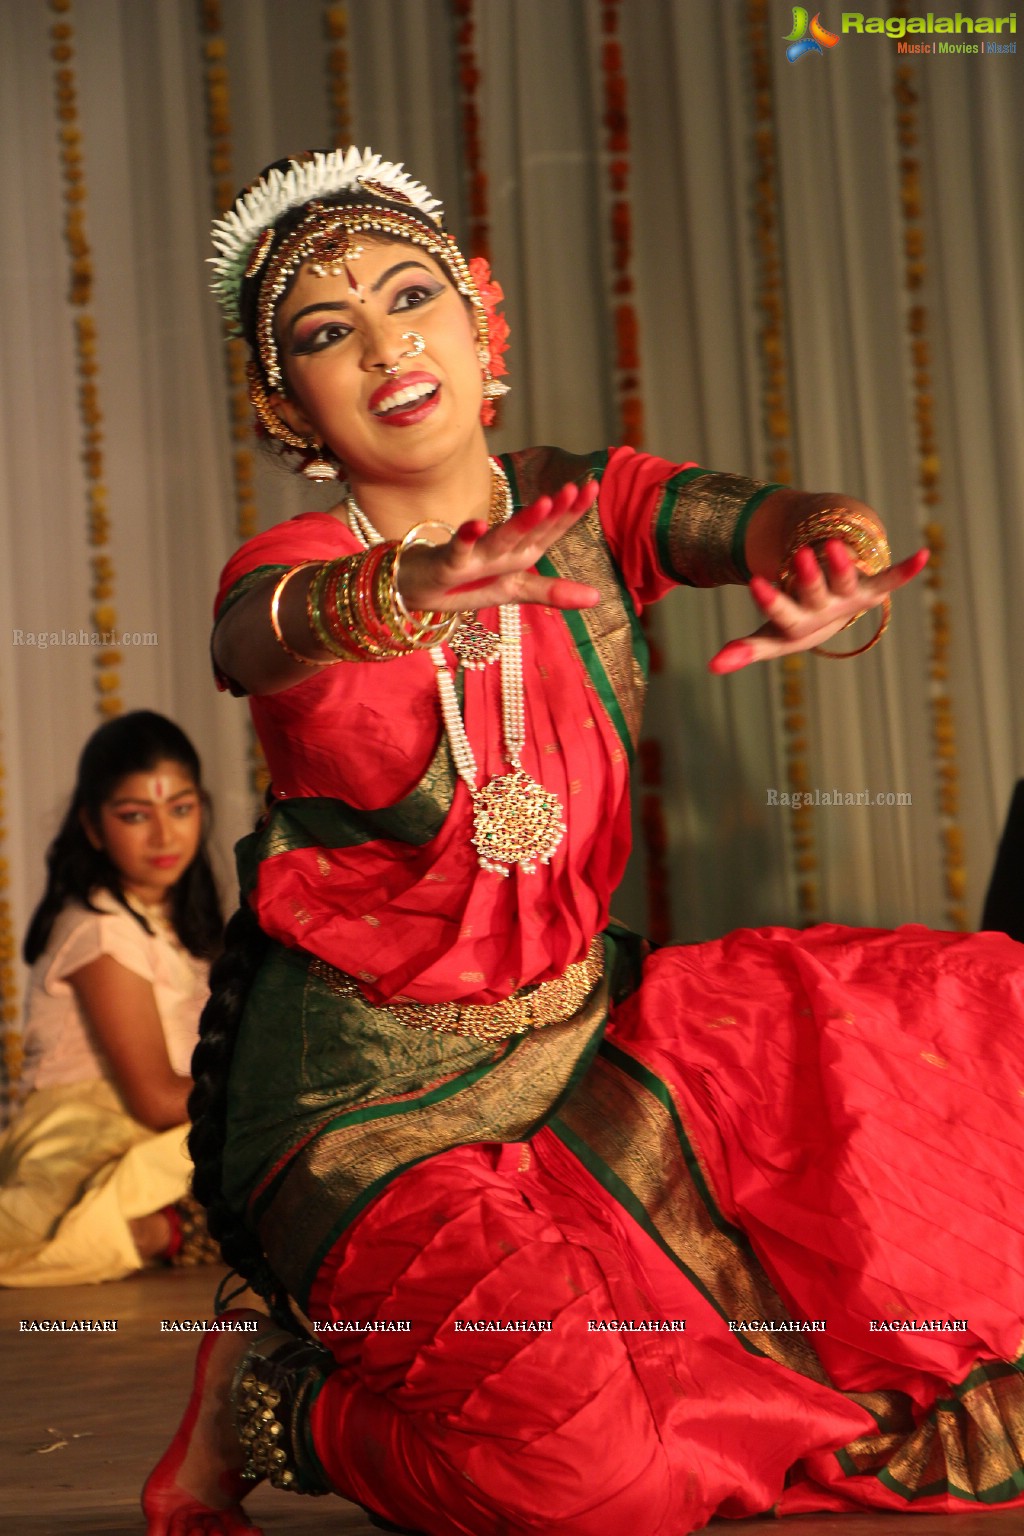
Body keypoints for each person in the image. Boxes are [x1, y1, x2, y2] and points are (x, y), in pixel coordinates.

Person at [144, 150, 1024, 1536]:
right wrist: (408, 586)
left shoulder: (586, 506)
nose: (387, 345)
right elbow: (251, 638)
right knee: (593, 1488)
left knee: (960, 1037)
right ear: (279, 402)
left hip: (583, 1051)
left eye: (412, 296)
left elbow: (772, 518)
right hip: (373, 1126)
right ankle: (284, 1399)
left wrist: (835, 566)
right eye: (326, 332)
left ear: (483, 318)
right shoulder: (296, 566)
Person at [0, 711, 222, 1285]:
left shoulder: (182, 926)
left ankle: (173, 1228)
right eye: (134, 816)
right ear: (93, 828)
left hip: (165, 1132)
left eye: (180, 807)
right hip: (87, 1135)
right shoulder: (100, 927)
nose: (164, 835)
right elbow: (153, 1098)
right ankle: (161, 1230)